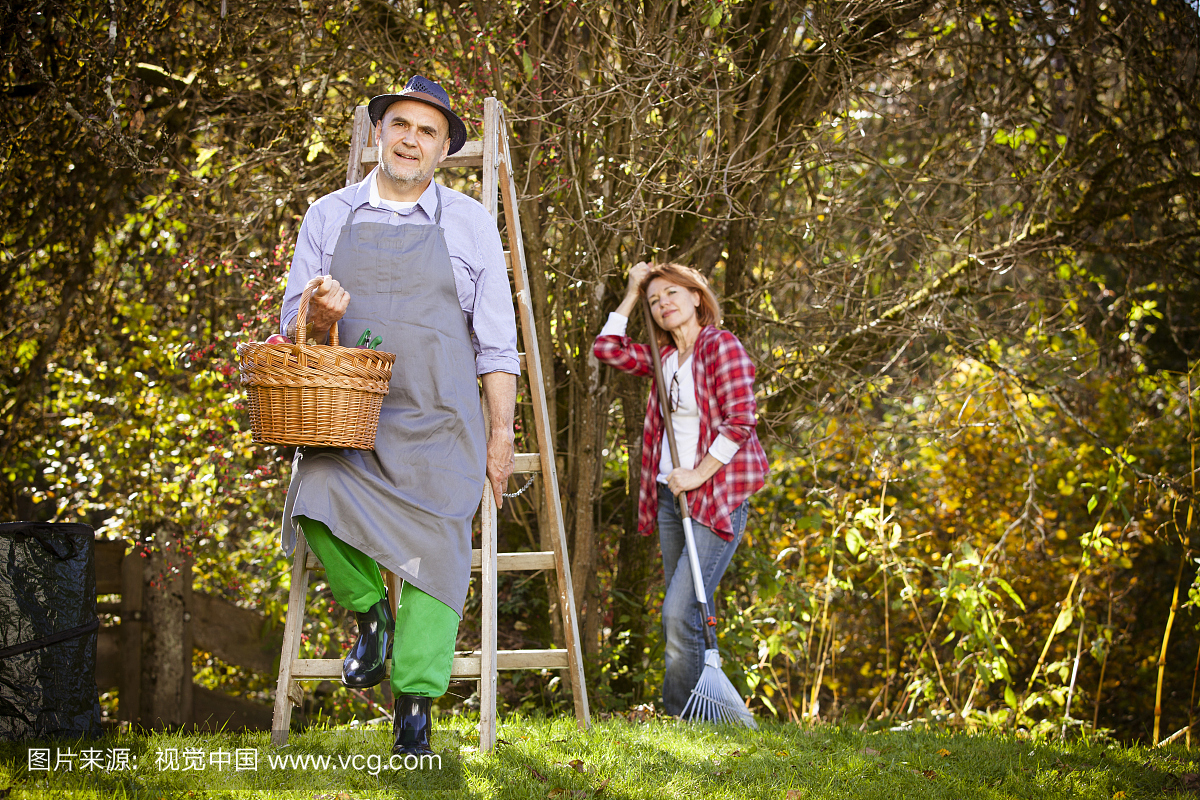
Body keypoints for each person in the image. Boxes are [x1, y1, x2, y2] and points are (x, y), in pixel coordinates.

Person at [277, 76, 519, 756]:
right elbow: (288, 321)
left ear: (443, 150)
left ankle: (414, 708)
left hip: (442, 421)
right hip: (349, 420)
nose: (411, 139)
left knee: (440, 552)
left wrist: (500, 433)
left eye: (427, 131)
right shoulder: (329, 215)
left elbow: (497, 342)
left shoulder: (468, 222)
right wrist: (315, 315)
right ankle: (371, 617)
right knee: (313, 497)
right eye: (400, 125)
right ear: (379, 134)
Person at [592, 261, 767, 717]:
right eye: (654, 301)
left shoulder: (720, 346)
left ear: (696, 296)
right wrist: (632, 293)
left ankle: (678, 715)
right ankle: (689, 716)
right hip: (672, 500)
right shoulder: (663, 356)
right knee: (682, 612)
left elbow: (741, 420)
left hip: (715, 498)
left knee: (676, 611)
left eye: (672, 293)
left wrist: (697, 474)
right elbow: (607, 348)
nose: (663, 303)